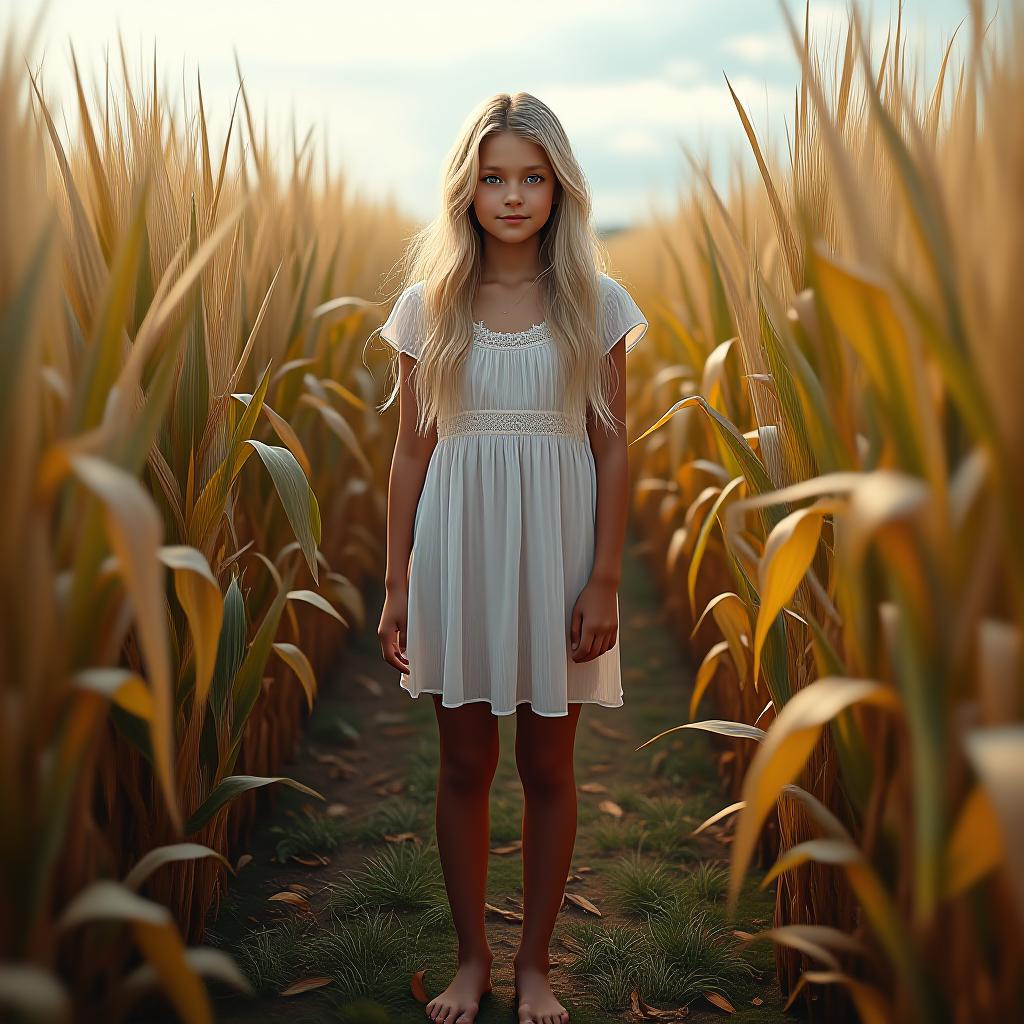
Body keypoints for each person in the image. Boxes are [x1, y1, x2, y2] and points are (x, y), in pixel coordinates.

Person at [375, 91, 648, 1024]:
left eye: (533, 177)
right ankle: (471, 959)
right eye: (495, 178)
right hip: (460, 549)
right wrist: (397, 583)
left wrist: (605, 577)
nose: (514, 196)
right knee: (462, 765)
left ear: (559, 187)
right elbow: (411, 452)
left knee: (549, 766)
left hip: (559, 553)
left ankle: (536, 962)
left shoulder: (595, 305)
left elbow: (612, 445)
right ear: (468, 188)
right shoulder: (428, 308)